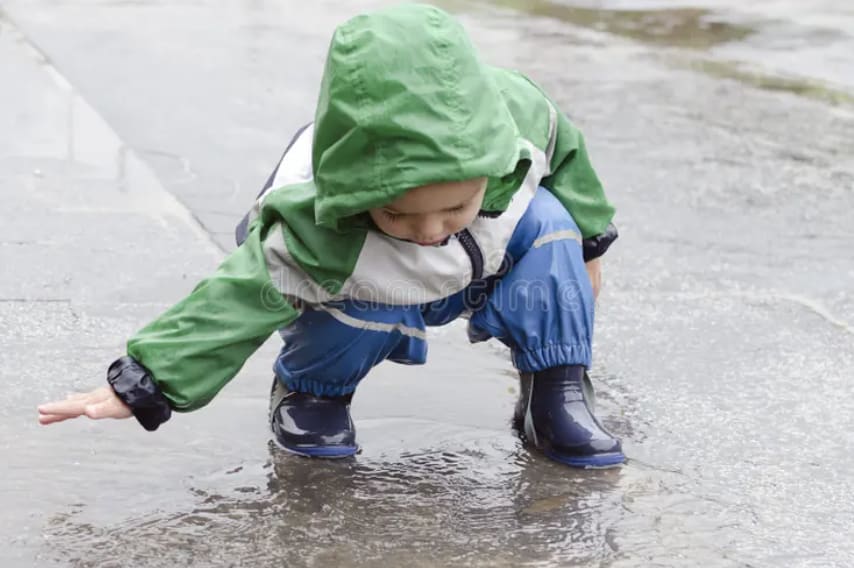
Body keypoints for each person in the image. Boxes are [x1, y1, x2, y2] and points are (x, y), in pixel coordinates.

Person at [38, 4, 624, 468]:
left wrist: (589, 245)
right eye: (399, 214)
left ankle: (555, 389)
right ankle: (314, 394)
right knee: (335, 293)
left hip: (482, 269)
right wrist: (144, 384)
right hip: (360, 285)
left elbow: (564, 154)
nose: (428, 232)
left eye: (455, 207)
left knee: (551, 225)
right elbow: (232, 302)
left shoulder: (517, 116)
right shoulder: (315, 225)